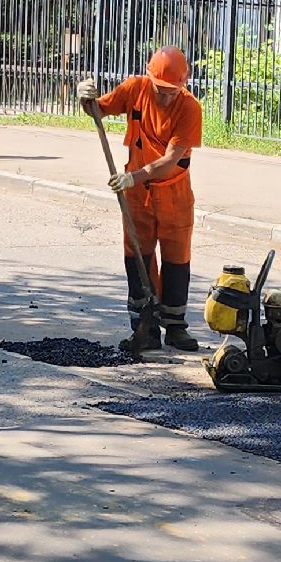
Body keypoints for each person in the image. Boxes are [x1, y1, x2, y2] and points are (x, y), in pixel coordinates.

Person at [77, 47, 202, 354]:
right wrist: (84, 97)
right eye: (161, 90)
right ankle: (143, 327)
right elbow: (99, 110)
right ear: (150, 80)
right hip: (136, 195)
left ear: (183, 85)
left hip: (174, 192)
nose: (165, 97)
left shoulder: (190, 109)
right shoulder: (135, 89)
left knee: (177, 259)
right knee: (137, 256)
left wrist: (136, 175)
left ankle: (175, 327)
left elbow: (172, 159)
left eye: (172, 91)